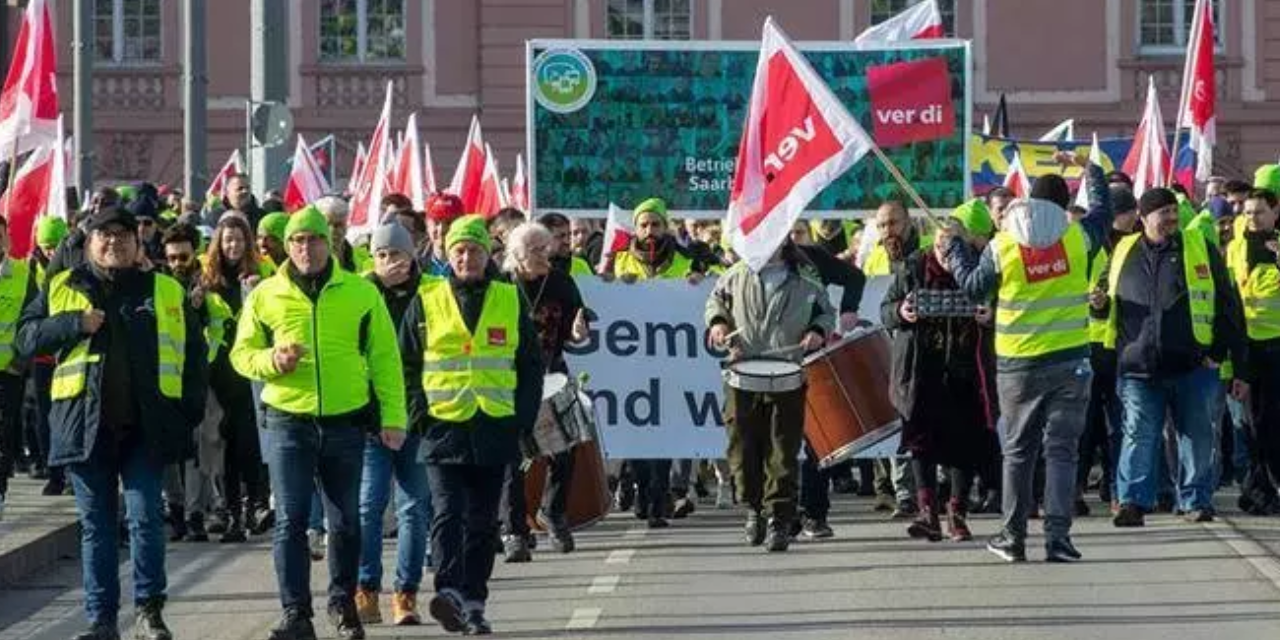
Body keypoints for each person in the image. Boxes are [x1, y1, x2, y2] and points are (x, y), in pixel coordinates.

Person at [16, 206, 207, 640]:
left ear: (138, 245)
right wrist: (72, 325)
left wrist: (188, 410)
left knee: (144, 519)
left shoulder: (162, 289)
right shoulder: (63, 285)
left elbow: (194, 353)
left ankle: (149, 612)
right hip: (85, 428)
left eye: (123, 236)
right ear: (89, 244)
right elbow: (25, 338)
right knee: (97, 527)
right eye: (105, 236)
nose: (114, 243)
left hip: (146, 429)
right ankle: (101, 621)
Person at [230, 205, 407, 640]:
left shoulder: (361, 293)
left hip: (346, 421)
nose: (305, 248)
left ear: (329, 243)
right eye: (297, 241)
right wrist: (273, 360)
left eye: (313, 240)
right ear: (285, 247)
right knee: (290, 519)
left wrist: (394, 417)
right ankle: (296, 614)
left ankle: (343, 605)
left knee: (344, 520)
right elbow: (241, 354)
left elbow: (385, 358)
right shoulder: (266, 294)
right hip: (289, 418)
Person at [942, 151, 1113, 563]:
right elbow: (1104, 208)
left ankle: (1012, 537)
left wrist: (956, 250)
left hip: (1018, 365)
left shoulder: (1002, 245)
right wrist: (1089, 167)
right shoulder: (1078, 237)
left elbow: (973, 287)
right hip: (1071, 361)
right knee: (1062, 452)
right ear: (1061, 204)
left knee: (1018, 452)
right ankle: (1059, 539)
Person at [397, 214, 543, 635]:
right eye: (459, 250)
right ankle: (449, 592)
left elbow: (530, 365)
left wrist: (522, 417)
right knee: (446, 513)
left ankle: (474, 600)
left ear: (487, 254)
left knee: (482, 522)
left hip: (495, 426)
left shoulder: (509, 298)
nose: (466, 257)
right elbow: (405, 363)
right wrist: (417, 413)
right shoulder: (425, 300)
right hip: (443, 426)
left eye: (474, 250)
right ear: (447, 254)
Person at [1094, 187, 1247, 527]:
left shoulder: (1199, 247)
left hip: (1193, 364)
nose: (1171, 219)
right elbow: (1104, 305)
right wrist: (1098, 305)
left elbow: (1226, 303)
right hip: (1138, 365)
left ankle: (1196, 500)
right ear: (1144, 218)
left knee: (1196, 435)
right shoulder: (1122, 252)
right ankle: (1133, 502)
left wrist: (1218, 352)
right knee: (1138, 433)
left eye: (1174, 213)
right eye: (1163, 213)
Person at [706, 241, 833, 552]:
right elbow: (714, 304)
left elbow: (826, 312)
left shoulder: (806, 278)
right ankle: (754, 508)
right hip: (741, 373)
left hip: (787, 372)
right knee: (742, 445)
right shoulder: (733, 275)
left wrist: (818, 330)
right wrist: (719, 324)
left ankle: (778, 517)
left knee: (782, 447)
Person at [884, 205, 998, 543]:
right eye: (941, 248)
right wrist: (901, 312)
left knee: (964, 445)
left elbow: (1003, 306)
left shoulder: (978, 269)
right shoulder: (913, 267)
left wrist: (989, 316)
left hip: (966, 370)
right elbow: (886, 310)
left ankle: (957, 512)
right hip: (921, 369)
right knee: (921, 443)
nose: (946, 255)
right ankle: (927, 511)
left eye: (953, 249)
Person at [354, 224, 434, 627]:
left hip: (417, 417)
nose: (389, 262)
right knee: (368, 507)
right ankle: (366, 588)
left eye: (396, 254)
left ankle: (406, 593)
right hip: (372, 419)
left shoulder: (431, 291)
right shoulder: (359, 293)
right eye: (381, 255)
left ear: (412, 254)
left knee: (414, 508)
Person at [497, 222, 590, 562]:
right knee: (513, 459)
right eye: (537, 251)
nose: (545, 257)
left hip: (552, 373)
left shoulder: (561, 283)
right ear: (517, 254)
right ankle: (514, 530)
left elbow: (577, 330)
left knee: (564, 448)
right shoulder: (501, 284)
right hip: (509, 379)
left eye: (547, 249)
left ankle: (553, 511)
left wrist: (579, 332)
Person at [610, 197, 705, 528]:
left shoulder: (686, 261)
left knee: (665, 432)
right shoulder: (619, 263)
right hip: (631, 364)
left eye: (656, 224)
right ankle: (641, 489)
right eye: (644, 225)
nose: (650, 231)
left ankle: (658, 495)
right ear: (635, 228)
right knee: (637, 434)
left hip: (671, 362)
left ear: (666, 227)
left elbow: (717, 287)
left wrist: (700, 283)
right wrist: (608, 285)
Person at [201, 216, 272, 541]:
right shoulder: (206, 278)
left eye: (239, 240)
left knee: (249, 442)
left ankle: (252, 507)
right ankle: (228, 511)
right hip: (218, 371)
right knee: (222, 444)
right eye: (228, 240)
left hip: (249, 371)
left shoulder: (262, 277)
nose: (233, 246)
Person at [0, 215, 40, 519]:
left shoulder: (24, 275)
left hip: (8, 372)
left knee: (3, 433)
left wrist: (20, 361)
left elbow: (32, 322)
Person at [313, 195, 373, 274]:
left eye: (339, 225)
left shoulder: (363, 257)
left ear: (346, 225)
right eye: (327, 224)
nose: (333, 230)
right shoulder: (311, 260)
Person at [420, 192, 465, 276]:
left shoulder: (476, 262)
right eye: (436, 222)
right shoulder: (413, 264)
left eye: (449, 222)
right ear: (427, 224)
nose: (442, 229)